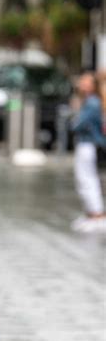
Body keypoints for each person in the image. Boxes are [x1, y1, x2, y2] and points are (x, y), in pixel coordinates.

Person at [70, 71, 106, 232]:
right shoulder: (91, 101)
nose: (81, 84)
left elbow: (77, 124)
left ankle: (97, 214)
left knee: (87, 180)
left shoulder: (91, 103)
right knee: (87, 179)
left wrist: (75, 119)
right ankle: (93, 213)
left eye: (85, 81)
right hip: (88, 144)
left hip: (89, 145)